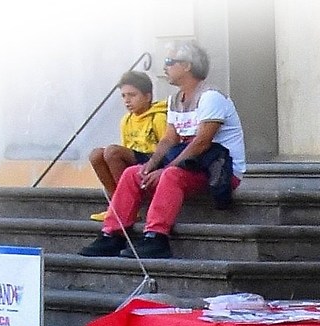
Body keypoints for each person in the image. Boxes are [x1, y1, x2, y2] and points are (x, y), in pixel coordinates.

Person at [79, 43, 245, 260]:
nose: (164, 67)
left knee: (170, 175)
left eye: (169, 62)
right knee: (132, 174)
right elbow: (169, 139)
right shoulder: (176, 100)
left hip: (220, 171)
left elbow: (202, 142)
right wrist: (150, 166)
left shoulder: (210, 97)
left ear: (186, 66)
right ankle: (113, 233)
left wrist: (165, 168)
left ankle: (156, 237)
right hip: (191, 166)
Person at [88, 71, 166, 222]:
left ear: (148, 96)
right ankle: (117, 205)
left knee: (112, 151)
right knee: (96, 154)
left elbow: (166, 149)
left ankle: (129, 206)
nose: (127, 101)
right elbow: (125, 149)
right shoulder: (126, 120)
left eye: (132, 95)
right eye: (124, 96)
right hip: (133, 161)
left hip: (153, 161)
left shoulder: (159, 117)